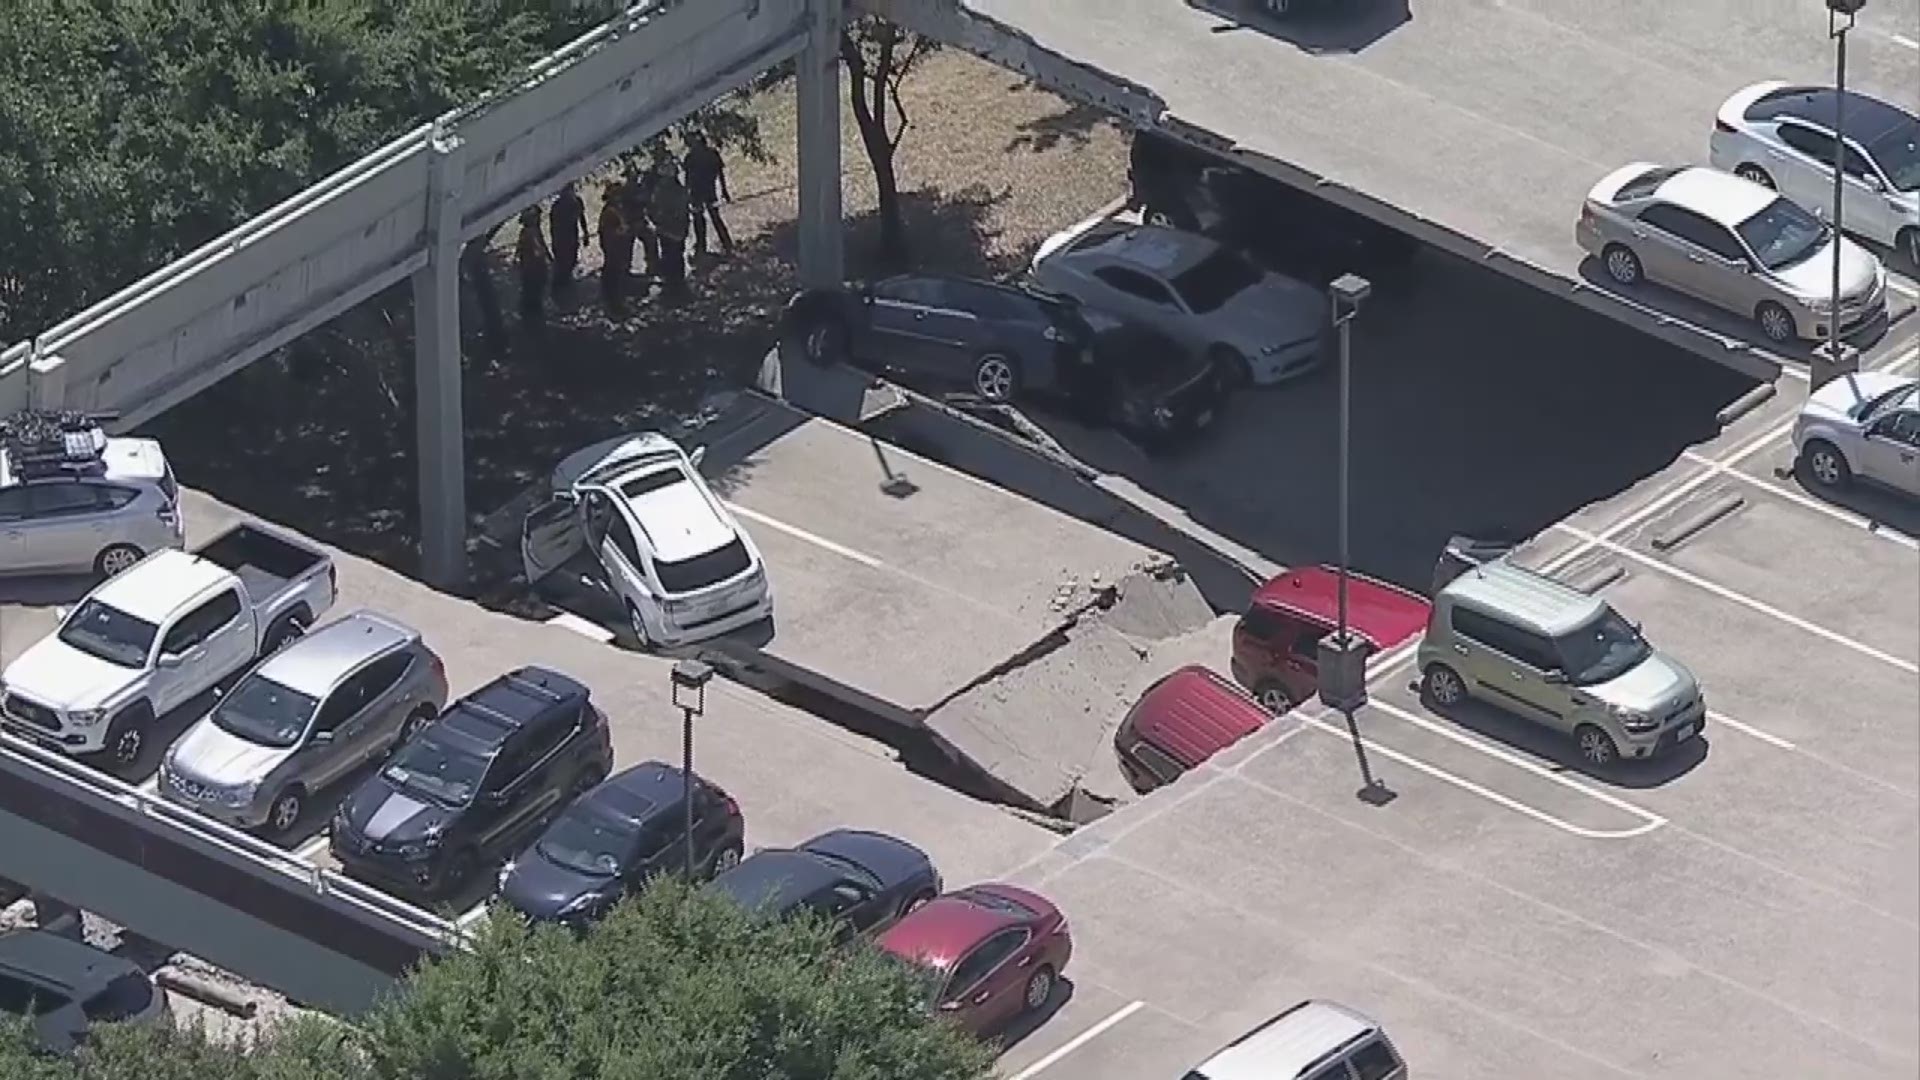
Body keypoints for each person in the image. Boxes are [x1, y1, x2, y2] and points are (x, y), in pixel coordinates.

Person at [682, 130, 734, 258]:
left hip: (705, 190)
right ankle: (706, 246)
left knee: (709, 217)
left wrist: (724, 190)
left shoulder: (704, 155)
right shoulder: (695, 157)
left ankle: (723, 245)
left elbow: (719, 173)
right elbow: (688, 179)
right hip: (700, 191)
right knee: (702, 219)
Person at [648, 158, 691, 299]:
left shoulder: (666, 191)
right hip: (673, 230)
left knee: (672, 257)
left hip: (670, 229)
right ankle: (676, 287)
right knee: (674, 257)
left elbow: (655, 209)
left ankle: (675, 288)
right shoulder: (677, 190)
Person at [597, 181, 631, 316]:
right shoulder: (611, 211)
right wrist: (624, 230)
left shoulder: (615, 209)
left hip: (614, 248)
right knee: (614, 275)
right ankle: (615, 305)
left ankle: (615, 301)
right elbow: (614, 231)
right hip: (613, 249)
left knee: (615, 274)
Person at [515, 206, 551, 332]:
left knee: (535, 287)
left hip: (534, 266)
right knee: (532, 288)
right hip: (532, 267)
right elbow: (535, 250)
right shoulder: (528, 233)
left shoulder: (535, 231)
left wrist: (548, 256)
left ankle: (532, 308)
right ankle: (531, 312)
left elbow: (542, 245)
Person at [549, 182, 587, 298]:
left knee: (572, 258)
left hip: (572, 235)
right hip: (560, 237)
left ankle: (567, 279)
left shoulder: (577, 202)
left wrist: (585, 233)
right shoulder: (557, 207)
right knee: (561, 261)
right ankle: (558, 285)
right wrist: (555, 242)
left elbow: (581, 217)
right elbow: (553, 226)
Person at [624, 163, 660, 283]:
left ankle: (652, 266)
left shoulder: (638, 187)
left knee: (650, 241)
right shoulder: (627, 189)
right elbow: (642, 200)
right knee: (628, 246)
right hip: (630, 222)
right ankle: (627, 269)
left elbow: (647, 201)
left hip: (638, 220)